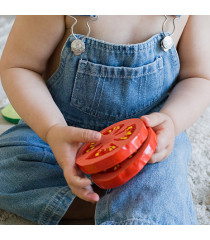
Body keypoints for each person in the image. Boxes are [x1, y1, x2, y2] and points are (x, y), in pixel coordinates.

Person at [0, 15, 209, 225]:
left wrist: (171, 119)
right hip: (63, 131)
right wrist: (51, 129)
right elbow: (21, 66)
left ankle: (130, 207)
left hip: (147, 145)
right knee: (6, 167)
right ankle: (113, 204)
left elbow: (199, 76)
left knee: (162, 175)